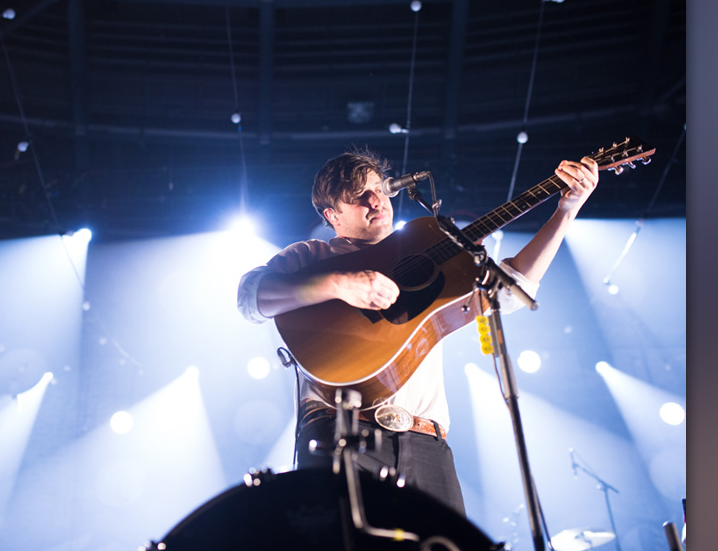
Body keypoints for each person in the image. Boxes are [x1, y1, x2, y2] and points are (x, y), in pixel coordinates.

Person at [236, 147, 598, 516]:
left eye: (379, 189)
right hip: (340, 434)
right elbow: (251, 297)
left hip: (428, 445)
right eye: (358, 196)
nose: (376, 200)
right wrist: (339, 284)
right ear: (332, 215)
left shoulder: (429, 243)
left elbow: (511, 289)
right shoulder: (312, 255)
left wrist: (565, 211)